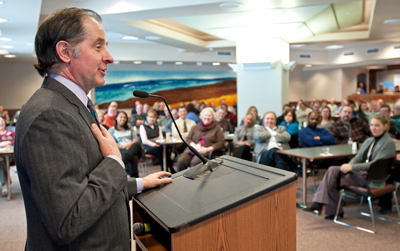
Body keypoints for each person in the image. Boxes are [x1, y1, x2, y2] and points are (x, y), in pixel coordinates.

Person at [14, 8, 171, 250]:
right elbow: (68, 219)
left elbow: (85, 180)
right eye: (98, 46)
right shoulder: (49, 115)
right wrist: (115, 161)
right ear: (65, 51)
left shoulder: (71, 104)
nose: (109, 57)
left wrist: (139, 183)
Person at [303, 114, 396, 220]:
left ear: (385, 126)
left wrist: (352, 168)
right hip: (361, 173)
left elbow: (374, 165)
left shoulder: (388, 143)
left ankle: (328, 208)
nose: (373, 128)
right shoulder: (369, 140)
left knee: (332, 179)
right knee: (332, 170)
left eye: (377, 125)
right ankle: (320, 205)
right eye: (372, 125)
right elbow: (358, 157)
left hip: (372, 177)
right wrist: (349, 165)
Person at [140, 109, 175, 173]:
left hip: (158, 145)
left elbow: (161, 137)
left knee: (165, 148)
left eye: (153, 117)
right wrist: (155, 144)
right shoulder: (143, 126)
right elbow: (144, 140)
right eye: (150, 117)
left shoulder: (157, 126)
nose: (152, 119)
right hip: (148, 146)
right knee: (162, 149)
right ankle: (169, 168)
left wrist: (158, 142)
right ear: (147, 117)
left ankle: (164, 169)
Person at [109, 111, 142, 178]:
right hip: (120, 149)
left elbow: (136, 139)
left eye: (125, 117)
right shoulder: (111, 130)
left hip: (132, 148)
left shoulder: (131, 128)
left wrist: (128, 146)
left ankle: (122, 163)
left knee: (137, 144)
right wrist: (124, 147)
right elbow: (112, 143)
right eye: (121, 117)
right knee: (134, 157)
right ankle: (135, 179)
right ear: (116, 118)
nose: (123, 119)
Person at [0, 116, 14, 196]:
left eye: (2, 121)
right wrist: (3, 143)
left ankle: (5, 184)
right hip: (1, 157)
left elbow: (15, 141)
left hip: (11, 156)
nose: (1, 123)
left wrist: (10, 142)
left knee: (3, 160)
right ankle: (5, 183)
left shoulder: (11, 132)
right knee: (1, 161)